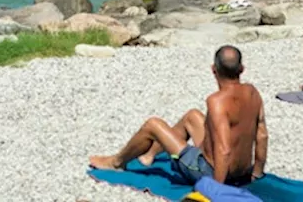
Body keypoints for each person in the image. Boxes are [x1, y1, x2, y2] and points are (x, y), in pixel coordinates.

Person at [89, 45, 267, 186]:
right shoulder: (253, 93)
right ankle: (148, 155)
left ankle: (116, 162)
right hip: (241, 172)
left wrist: (216, 190)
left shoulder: (217, 102)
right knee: (192, 116)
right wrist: (256, 172)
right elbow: (262, 135)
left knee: (153, 124)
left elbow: (224, 150)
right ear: (242, 69)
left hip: (211, 172)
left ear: (214, 70)